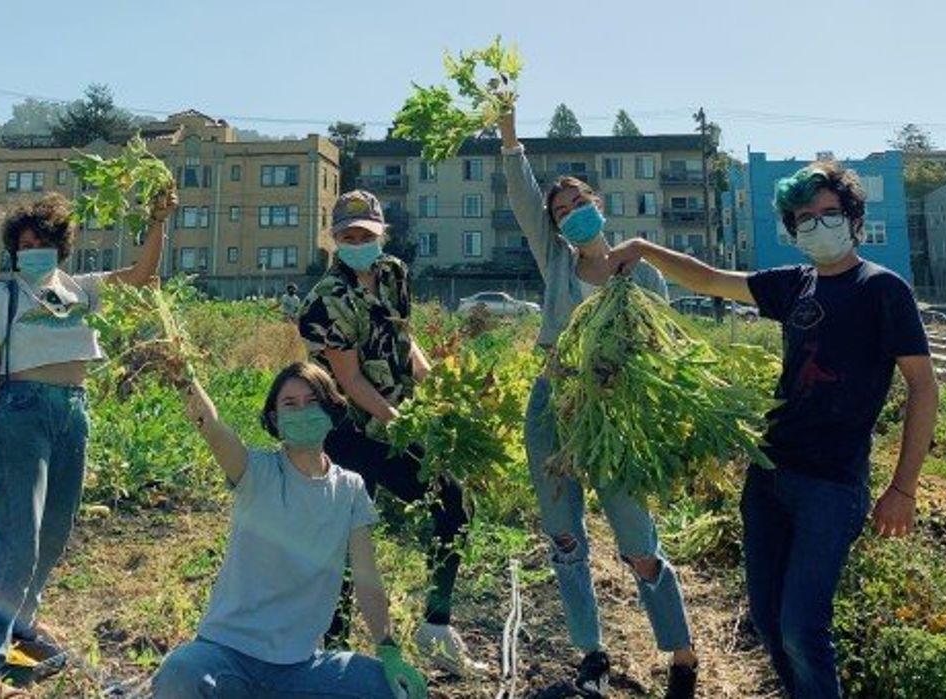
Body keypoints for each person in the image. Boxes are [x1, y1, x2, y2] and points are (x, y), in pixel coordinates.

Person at [611, 160, 939, 697]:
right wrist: (644, 250)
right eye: (804, 218)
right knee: (768, 622)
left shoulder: (883, 290)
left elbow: (923, 387)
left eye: (828, 213)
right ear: (792, 230)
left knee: (802, 628)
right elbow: (711, 279)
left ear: (854, 219)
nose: (817, 225)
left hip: (832, 486)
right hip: (768, 477)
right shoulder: (795, 286)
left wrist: (903, 488)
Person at [497, 111, 699, 698]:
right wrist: (510, 138)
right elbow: (522, 198)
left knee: (638, 542)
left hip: (615, 416)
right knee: (565, 541)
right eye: (558, 212)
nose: (566, 215)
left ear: (599, 205)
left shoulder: (643, 276)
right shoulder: (557, 262)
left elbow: (663, 351)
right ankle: (591, 654)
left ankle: (681, 654)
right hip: (553, 409)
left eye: (576, 205)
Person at [0, 188, 177, 698]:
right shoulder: (2, 297)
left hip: (72, 413)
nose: (33, 250)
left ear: (60, 247)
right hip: (20, 413)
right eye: (24, 243)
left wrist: (158, 221)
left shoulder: (81, 290)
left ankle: (23, 623)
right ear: (13, 249)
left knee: (55, 530)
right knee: (17, 541)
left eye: (43, 242)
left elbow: (141, 276)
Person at [152, 362, 427, 699]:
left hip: (301, 667)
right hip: (228, 657)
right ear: (275, 419)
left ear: (331, 409)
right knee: (181, 672)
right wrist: (183, 375)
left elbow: (367, 578)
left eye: (312, 402)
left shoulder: (350, 489)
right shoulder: (255, 472)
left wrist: (388, 650)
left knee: (392, 690)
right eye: (290, 404)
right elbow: (211, 426)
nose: (302, 412)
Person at [297, 190, 475, 675]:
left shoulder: (393, 273)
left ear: (381, 235)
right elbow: (350, 381)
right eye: (349, 236)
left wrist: (436, 385)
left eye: (367, 235)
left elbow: (403, 336)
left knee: (453, 505)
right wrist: (405, 425)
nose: (359, 243)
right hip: (348, 431)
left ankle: (436, 629)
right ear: (335, 239)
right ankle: (331, 651)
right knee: (348, 539)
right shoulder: (325, 301)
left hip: (394, 419)